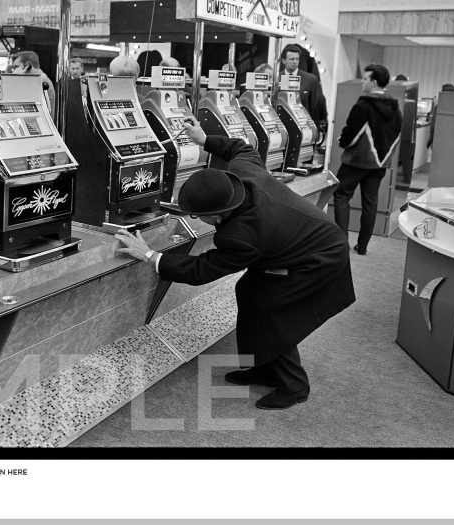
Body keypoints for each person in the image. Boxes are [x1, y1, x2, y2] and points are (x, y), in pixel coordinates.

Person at [115, 118, 355, 410]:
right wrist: (204, 139)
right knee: (251, 291)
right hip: (306, 237)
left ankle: (294, 386)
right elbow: (240, 146)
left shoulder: (242, 236)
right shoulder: (242, 172)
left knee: (275, 311)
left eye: (195, 215)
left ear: (216, 216)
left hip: (320, 256)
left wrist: (149, 255)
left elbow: (200, 270)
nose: (193, 218)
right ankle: (264, 367)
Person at [333, 63, 402, 256]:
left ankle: (341, 245)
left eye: (365, 79)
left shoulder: (363, 105)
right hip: (379, 164)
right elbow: (396, 135)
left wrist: (341, 140)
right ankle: (362, 247)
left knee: (341, 196)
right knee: (370, 202)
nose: (362, 82)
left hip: (356, 161)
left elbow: (350, 134)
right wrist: (384, 157)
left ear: (373, 82)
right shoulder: (394, 106)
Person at [278, 44, 327, 132]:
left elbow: (315, 107)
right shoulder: (277, 78)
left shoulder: (310, 79)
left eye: (297, 59)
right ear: (283, 60)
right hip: (282, 128)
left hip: (304, 129)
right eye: (291, 59)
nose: (295, 62)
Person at [12, 50, 56, 121]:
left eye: (16, 67)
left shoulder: (41, 79)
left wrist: (16, 78)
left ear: (28, 66)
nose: (14, 70)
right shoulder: (35, 79)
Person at [426, 82, 454, 149]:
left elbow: (434, 125)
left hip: (439, 140)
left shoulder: (438, 107)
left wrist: (430, 140)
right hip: (451, 142)